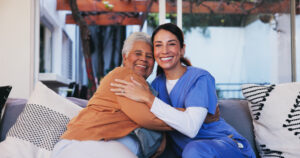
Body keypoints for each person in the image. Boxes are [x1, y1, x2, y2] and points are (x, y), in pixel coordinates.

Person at [110, 23, 256, 158]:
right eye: (158, 45)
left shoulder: (200, 78)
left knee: (194, 150)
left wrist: (148, 98)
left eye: (171, 44)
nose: (165, 51)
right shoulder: (156, 86)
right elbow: (152, 119)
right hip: (189, 153)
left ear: (182, 49)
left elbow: (191, 127)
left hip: (227, 146)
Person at [51, 32, 173, 158]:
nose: (143, 59)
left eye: (149, 56)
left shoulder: (144, 88)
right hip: (81, 144)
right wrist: (185, 120)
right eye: (138, 53)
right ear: (125, 57)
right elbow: (148, 119)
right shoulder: (124, 76)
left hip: (88, 147)